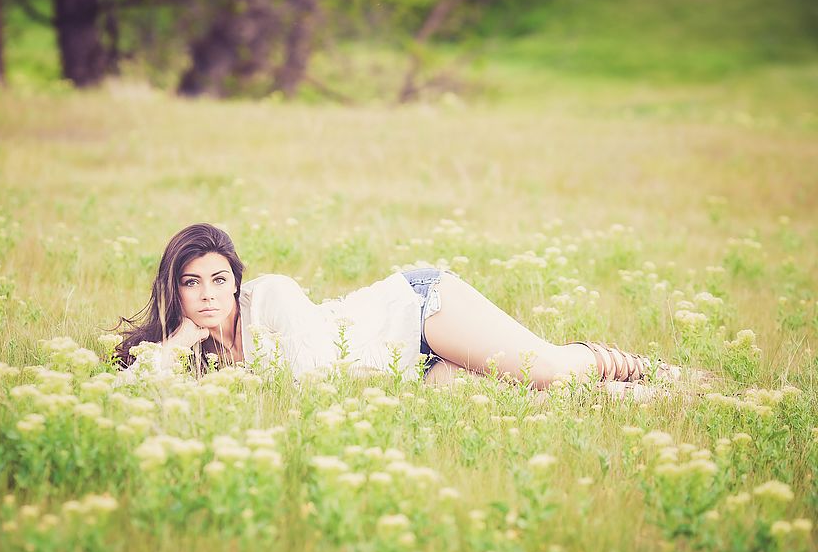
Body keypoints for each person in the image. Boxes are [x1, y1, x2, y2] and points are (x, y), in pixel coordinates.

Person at [113, 223, 686, 393]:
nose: (208, 294)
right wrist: (181, 341)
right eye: (192, 283)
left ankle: (645, 367)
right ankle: (654, 398)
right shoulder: (205, 351)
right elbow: (130, 394)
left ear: (237, 283)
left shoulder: (273, 298)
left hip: (418, 311)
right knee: (524, 398)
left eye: (219, 279)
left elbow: (312, 379)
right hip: (414, 369)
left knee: (549, 369)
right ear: (176, 290)